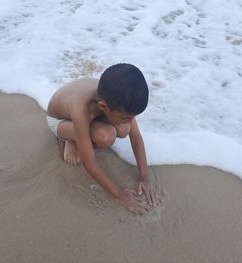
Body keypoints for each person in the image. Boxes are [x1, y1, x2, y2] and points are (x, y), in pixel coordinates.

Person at [47, 63, 158, 214]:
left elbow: (136, 136)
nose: (132, 120)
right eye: (127, 117)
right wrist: (120, 196)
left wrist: (144, 177)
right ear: (103, 107)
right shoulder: (81, 110)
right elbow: (90, 163)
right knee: (105, 136)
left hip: (85, 106)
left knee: (124, 128)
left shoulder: (117, 97)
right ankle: (72, 140)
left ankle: (81, 135)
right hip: (60, 121)